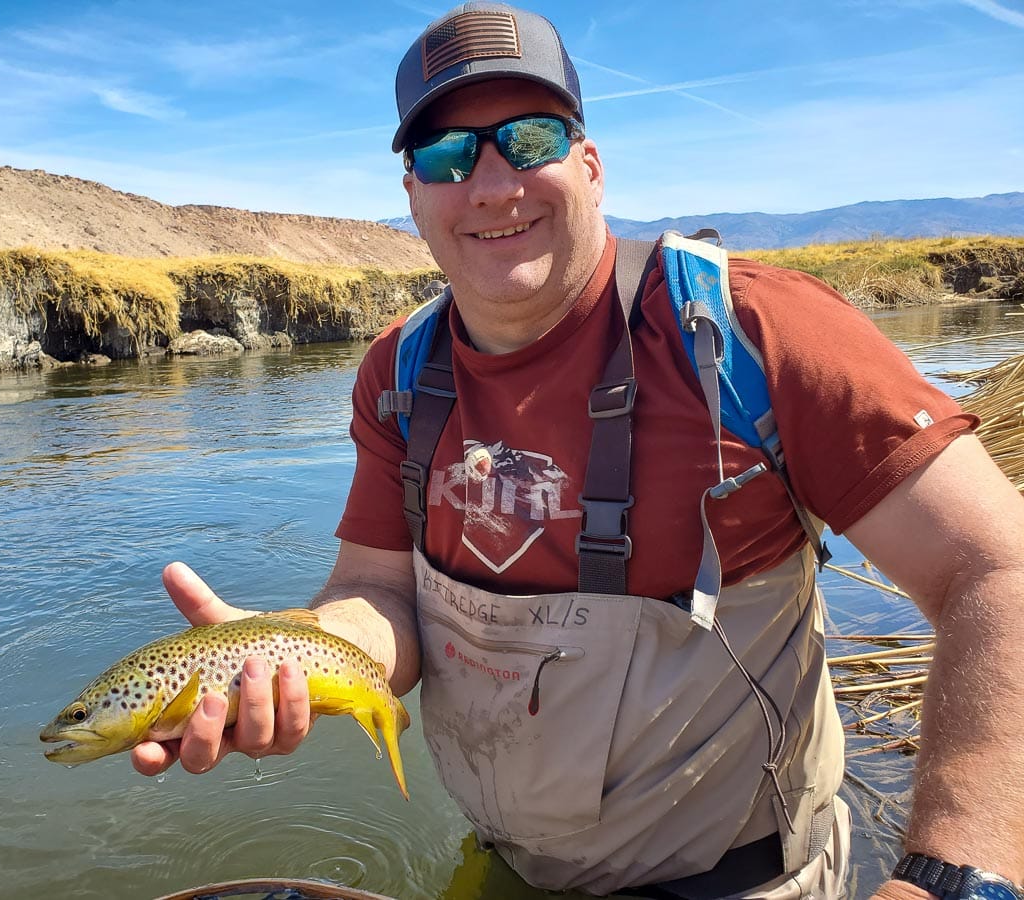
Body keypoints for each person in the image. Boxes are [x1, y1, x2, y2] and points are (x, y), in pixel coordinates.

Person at [131, 3, 1024, 898]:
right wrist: (296, 652)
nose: (489, 184)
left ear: (590, 165)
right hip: (513, 866)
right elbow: (378, 592)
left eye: (526, 139)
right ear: (412, 198)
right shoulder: (398, 372)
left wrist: (953, 878)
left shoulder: (751, 335)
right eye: (446, 155)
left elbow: (996, 569)